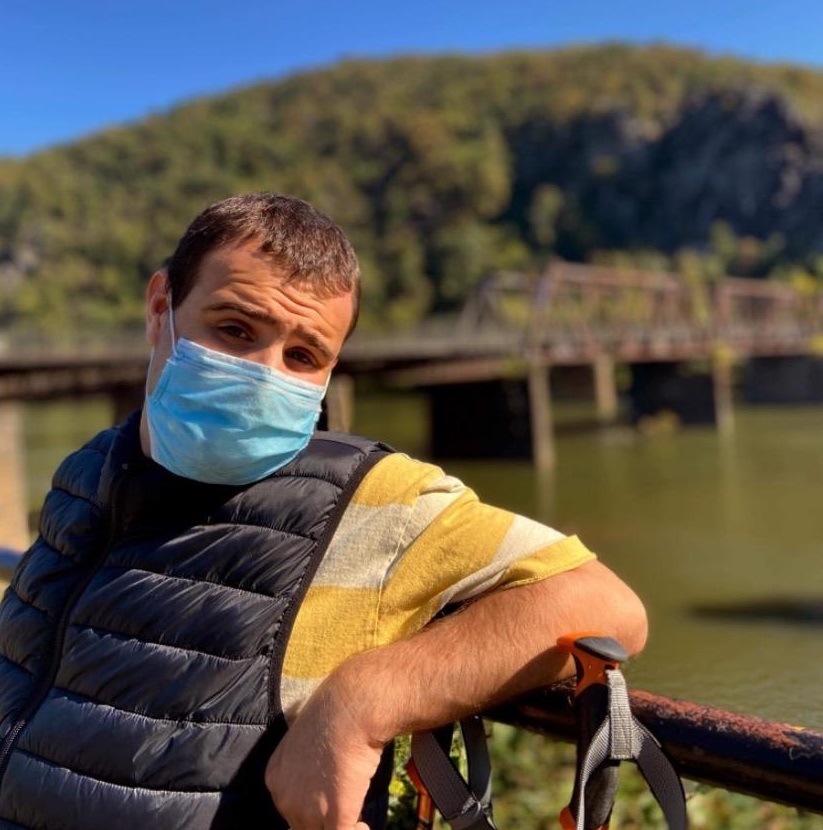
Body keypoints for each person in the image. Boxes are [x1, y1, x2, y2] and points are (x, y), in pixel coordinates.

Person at [0, 193, 647, 830]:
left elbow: (604, 604)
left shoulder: (374, 500)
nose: (264, 373)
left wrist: (364, 699)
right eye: (234, 329)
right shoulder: (89, 469)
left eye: (303, 356)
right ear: (159, 306)